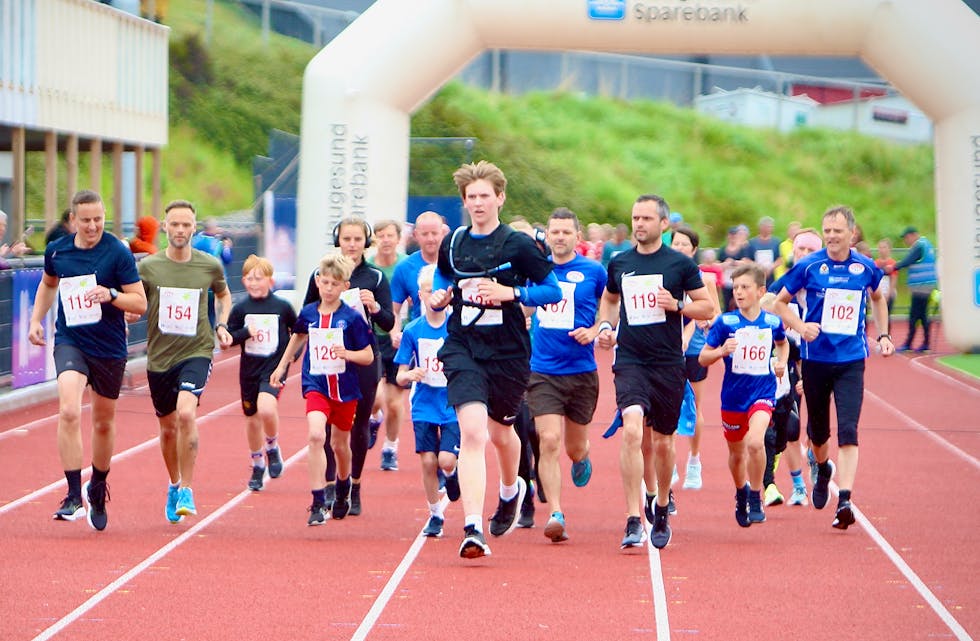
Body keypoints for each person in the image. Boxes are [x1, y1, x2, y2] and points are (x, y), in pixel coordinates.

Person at [428, 160, 561, 559]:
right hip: (463, 346)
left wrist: (513, 294)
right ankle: (473, 528)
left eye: (485, 195)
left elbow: (552, 290)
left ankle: (510, 490)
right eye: (471, 197)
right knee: (473, 432)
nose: (478, 203)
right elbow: (443, 277)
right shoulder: (453, 243)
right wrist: (440, 296)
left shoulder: (517, 245)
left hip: (507, 351)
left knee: (503, 433)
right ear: (464, 201)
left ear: (500, 198)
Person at [596, 194, 714, 550]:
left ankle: (661, 505)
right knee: (632, 430)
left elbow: (706, 306)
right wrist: (605, 326)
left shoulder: (680, 264)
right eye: (635, 218)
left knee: (663, 443)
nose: (639, 224)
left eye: (646, 218)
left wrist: (677, 304)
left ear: (663, 224)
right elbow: (610, 299)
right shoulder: (620, 262)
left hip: (667, 364)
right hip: (631, 361)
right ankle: (633, 518)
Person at [27, 190, 147, 531]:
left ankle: (97, 485)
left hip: (108, 346)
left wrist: (112, 295)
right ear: (73, 220)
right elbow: (48, 284)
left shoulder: (117, 252)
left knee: (103, 422)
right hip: (71, 340)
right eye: (86, 220)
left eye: (98, 219)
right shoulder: (57, 251)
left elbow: (139, 303)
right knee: (68, 409)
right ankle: (72, 494)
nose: (93, 226)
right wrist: (36, 319)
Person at [772, 205, 894, 530]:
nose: (831, 236)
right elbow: (778, 302)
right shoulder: (809, 266)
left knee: (849, 430)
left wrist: (883, 334)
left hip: (851, 360)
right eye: (827, 230)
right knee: (818, 433)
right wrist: (801, 326)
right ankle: (823, 467)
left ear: (851, 233)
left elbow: (878, 298)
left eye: (837, 231)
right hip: (816, 360)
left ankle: (845, 500)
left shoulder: (865, 267)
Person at [137, 199, 233, 523]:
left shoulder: (209, 265)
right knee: (167, 430)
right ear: (165, 227)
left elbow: (223, 294)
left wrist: (222, 324)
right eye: (174, 224)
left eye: (186, 224)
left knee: (187, 413)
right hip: (160, 357)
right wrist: (127, 314)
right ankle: (175, 484)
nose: (180, 230)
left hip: (197, 351)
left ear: (194, 227)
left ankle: (188, 490)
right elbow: (135, 299)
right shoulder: (148, 267)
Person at [271, 253, 374, 525]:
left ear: (345, 286)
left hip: (345, 388)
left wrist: (347, 354)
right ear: (317, 281)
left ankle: (343, 485)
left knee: (340, 445)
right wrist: (282, 367)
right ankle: (317, 501)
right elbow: (297, 337)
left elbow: (368, 356)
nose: (328, 289)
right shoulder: (308, 313)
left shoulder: (352, 318)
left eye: (334, 284)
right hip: (316, 384)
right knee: (316, 435)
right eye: (325, 282)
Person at [524, 207, 607, 543]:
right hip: (543, 370)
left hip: (581, 371)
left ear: (577, 236)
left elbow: (609, 305)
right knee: (548, 440)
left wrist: (595, 329)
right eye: (554, 232)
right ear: (547, 235)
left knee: (574, 448)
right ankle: (555, 513)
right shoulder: (536, 270)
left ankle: (581, 457)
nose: (560, 237)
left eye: (566, 232)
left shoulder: (594, 271)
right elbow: (524, 305)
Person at [303, 217, 395, 514]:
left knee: (358, 424)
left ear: (366, 242)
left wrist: (374, 307)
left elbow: (388, 322)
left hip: (362, 359)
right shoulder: (321, 274)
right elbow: (305, 316)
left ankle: (355, 485)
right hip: (327, 358)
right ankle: (331, 484)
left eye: (357, 239)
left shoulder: (375, 278)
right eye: (346, 239)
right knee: (326, 425)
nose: (352, 245)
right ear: (338, 240)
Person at [700, 263, 788, 526]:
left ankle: (755, 495)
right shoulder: (725, 323)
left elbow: (783, 344)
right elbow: (703, 357)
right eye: (736, 287)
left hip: (763, 392)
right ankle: (741, 493)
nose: (738, 292)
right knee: (737, 454)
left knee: (756, 442)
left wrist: (781, 362)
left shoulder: (772, 322)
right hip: (733, 397)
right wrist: (721, 351)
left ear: (760, 291)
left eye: (745, 287)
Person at [394, 264, 461, 538]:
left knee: (445, 460)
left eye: (437, 289)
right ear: (419, 295)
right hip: (424, 403)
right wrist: (410, 374)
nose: (433, 294)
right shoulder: (413, 330)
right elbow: (399, 376)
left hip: (452, 402)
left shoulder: (456, 327)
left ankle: (452, 474)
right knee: (427, 461)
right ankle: (435, 514)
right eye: (427, 290)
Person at [761, 227, 823, 508]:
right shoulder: (782, 285)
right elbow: (765, 307)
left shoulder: (825, 285)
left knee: (818, 426)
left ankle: (817, 454)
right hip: (790, 366)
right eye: (801, 249)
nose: (805, 255)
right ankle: (797, 486)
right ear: (793, 251)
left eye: (811, 250)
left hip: (821, 362)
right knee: (790, 428)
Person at [224, 254, 297, 491]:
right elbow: (229, 339)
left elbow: (299, 333)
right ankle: (257, 463)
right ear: (243, 281)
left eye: (259, 278)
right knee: (252, 418)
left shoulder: (282, 307)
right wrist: (245, 332)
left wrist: (292, 356)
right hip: (249, 370)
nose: (254, 283)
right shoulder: (240, 309)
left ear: (270, 280)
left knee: (267, 407)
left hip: (274, 368)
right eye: (249, 278)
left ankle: (272, 447)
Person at [388, 211, 447, 471]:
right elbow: (395, 308)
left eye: (435, 233)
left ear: (443, 233)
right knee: (419, 388)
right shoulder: (406, 268)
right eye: (426, 234)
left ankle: (450, 456)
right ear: (416, 235)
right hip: (421, 339)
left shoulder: (454, 264)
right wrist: (395, 331)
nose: (431, 239)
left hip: (451, 337)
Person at [670, 225, 721, 490]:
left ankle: (694, 460)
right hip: (668, 347)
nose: (679, 248)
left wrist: (704, 323)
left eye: (684, 245)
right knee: (667, 406)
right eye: (675, 244)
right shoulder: (664, 276)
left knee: (694, 405)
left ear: (693, 250)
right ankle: (669, 463)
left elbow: (715, 314)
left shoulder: (705, 279)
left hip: (695, 350)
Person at [366, 218, 406, 456]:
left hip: (399, 337)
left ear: (398, 239)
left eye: (390, 235)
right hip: (373, 336)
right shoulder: (369, 268)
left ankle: (390, 447)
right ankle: (374, 416)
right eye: (381, 236)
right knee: (375, 398)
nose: (386, 240)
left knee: (394, 402)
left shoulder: (405, 266)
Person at [887, 226, 937, 353]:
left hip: (921, 286)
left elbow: (908, 261)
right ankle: (925, 343)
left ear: (913, 235)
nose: (906, 241)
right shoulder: (927, 244)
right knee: (922, 314)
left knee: (914, 315)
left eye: (906, 238)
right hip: (926, 285)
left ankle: (910, 343)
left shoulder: (919, 246)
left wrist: (893, 267)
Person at [717, 226, 750, 311]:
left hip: (739, 280)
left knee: (740, 301)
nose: (733, 237)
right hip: (726, 281)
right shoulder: (723, 250)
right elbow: (717, 265)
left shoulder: (742, 249)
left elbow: (746, 263)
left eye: (734, 235)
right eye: (731, 235)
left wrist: (735, 262)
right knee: (726, 302)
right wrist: (725, 264)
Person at [748, 215, 782, 286]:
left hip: (772, 277)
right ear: (760, 227)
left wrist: (771, 267)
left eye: (770, 227)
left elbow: (780, 259)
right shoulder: (752, 242)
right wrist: (759, 267)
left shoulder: (776, 242)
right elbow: (747, 259)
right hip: (756, 276)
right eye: (766, 226)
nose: (768, 229)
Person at [874, 238, 898, 316]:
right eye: (880, 247)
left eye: (884, 247)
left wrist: (889, 293)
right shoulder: (875, 263)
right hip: (879, 292)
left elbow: (893, 278)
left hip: (888, 291)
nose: (881, 250)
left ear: (889, 249)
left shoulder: (892, 263)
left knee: (887, 314)